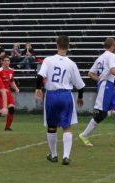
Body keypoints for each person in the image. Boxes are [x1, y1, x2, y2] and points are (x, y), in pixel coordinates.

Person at [35, 35, 85, 165]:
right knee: (66, 127)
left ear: (57, 45)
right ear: (68, 47)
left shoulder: (48, 60)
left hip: (51, 95)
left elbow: (40, 75)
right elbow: (80, 85)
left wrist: (38, 88)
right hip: (65, 95)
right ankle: (66, 157)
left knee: (52, 126)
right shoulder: (71, 64)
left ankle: (54, 155)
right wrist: (80, 97)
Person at [79, 38, 115, 147]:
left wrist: (100, 80)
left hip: (108, 85)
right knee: (101, 113)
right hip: (106, 85)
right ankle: (84, 135)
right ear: (112, 46)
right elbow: (113, 70)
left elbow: (90, 73)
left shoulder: (100, 57)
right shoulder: (111, 55)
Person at [0, 55, 20, 131]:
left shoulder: (11, 71)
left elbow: (11, 81)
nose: (7, 62)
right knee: (4, 113)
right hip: (1, 94)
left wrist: (16, 88)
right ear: (2, 62)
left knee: (11, 109)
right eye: (5, 60)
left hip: (8, 93)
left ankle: (7, 127)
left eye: (8, 61)